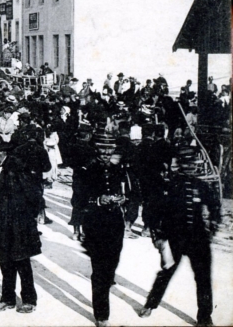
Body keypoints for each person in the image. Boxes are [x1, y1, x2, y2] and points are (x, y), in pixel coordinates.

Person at [138, 144, 220, 326]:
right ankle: (151, 304)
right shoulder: (171, 185)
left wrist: (212, 227)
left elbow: (215, 206)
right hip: (175, 237)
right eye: (187, 163)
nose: (190, 167)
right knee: (166, 272)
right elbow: (154, 212)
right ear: (181, 165)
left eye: (193, 163)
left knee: (204, 278)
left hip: (198, 239)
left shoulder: (202, 186)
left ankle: (205, 318)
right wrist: (158, 237)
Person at [0, 134, 43, 314]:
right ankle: (8, 298)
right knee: (5, 260)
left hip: (18, 223)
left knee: (22, 261)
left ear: (1, 152)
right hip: (2, 222)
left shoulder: (16, 167)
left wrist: (28, 220)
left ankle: (29, 300)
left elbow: (34, 195)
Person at [78, 139, 132, 327]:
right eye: (102, 152)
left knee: (113, 262)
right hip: (95, 223)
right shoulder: (87, 171)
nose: (106, 155)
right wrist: (99, 200)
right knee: (99, 270)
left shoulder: (119, 170)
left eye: (109, 152)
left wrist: (122, 199)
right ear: (96, 151)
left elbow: (129, 193)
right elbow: (79, 199)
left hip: (115, 222)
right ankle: (102, 315)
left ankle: (106, 284)